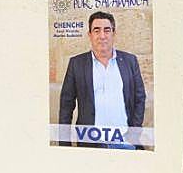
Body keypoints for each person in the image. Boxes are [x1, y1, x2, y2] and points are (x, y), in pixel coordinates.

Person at [58, 10, 147, 147]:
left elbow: (139, 98)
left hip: (124, 142)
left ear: (113, 33)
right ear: (90, 35)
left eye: (107, 30)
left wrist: (134, 134)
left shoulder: (130, 61)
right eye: (96, 30)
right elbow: (66, 106)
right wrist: (64, 144)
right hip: (90, 143)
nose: (102, 36)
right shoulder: (77, 64)